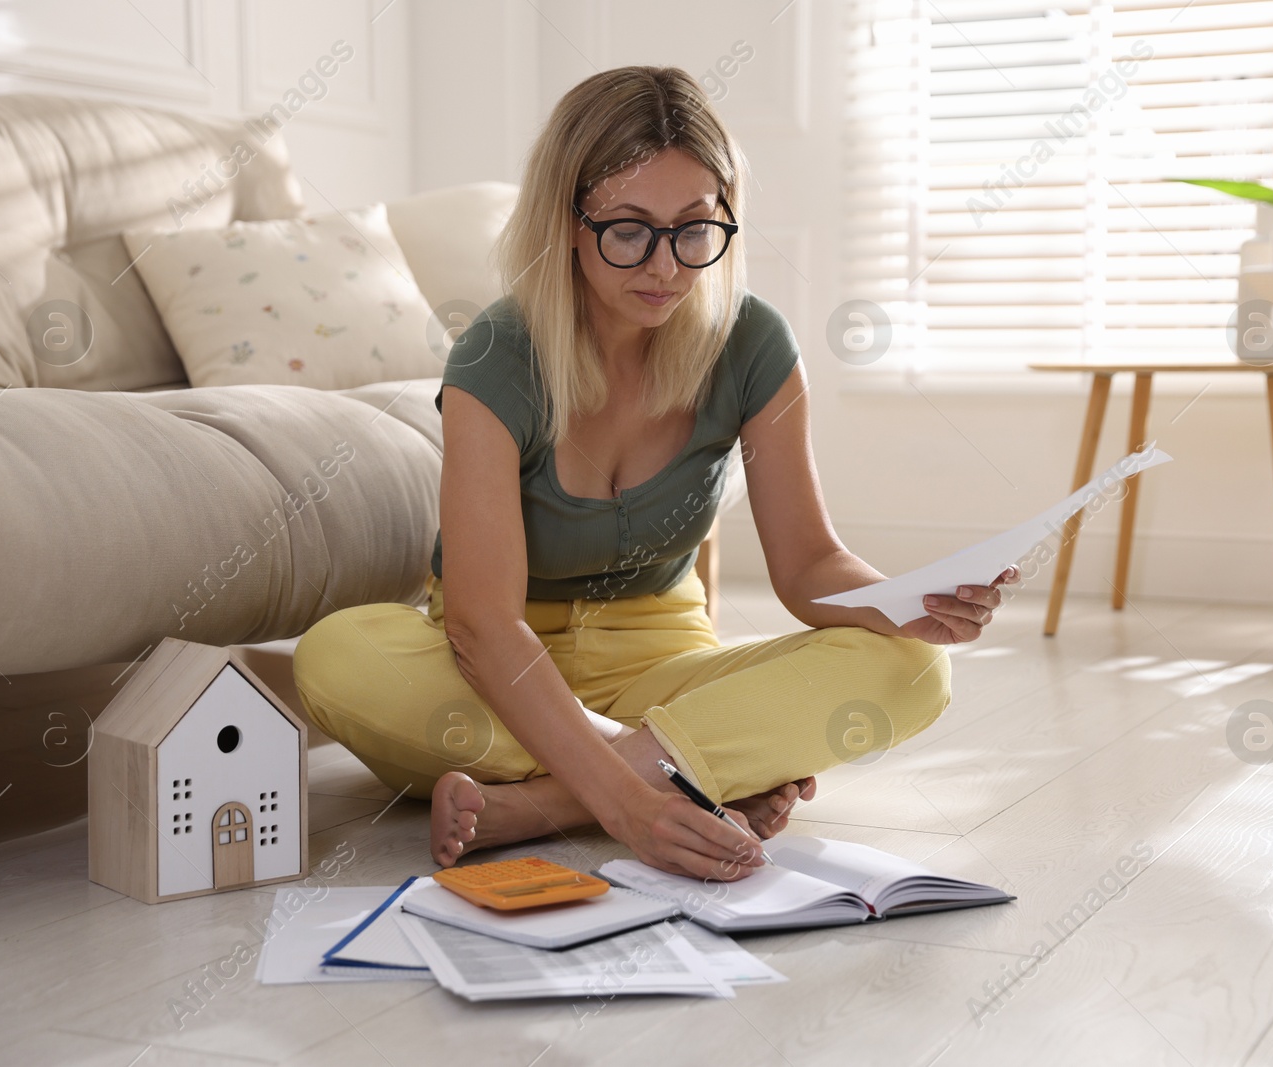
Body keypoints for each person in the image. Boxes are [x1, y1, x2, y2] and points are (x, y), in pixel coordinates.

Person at [293, 65, 1015, 883]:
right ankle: (690, 769)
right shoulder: (498, 355)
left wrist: (909, 603)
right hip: (490, 672)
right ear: (567, 220)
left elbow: (811, 566)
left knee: (915, 668)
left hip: (661, 661)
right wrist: (627, 806)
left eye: (694, 230)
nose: (666, 267)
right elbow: (482, 627)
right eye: (629, 230)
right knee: (335, 658)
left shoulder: (754, 346)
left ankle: (536, 803)